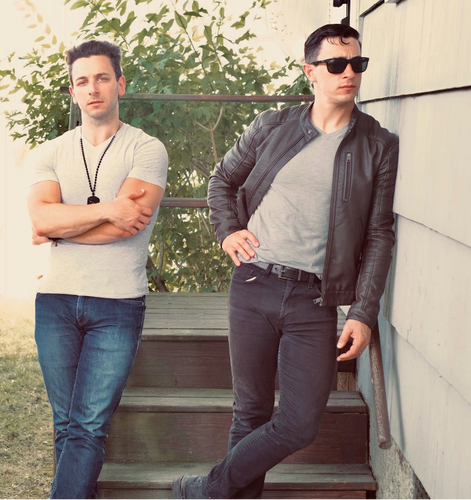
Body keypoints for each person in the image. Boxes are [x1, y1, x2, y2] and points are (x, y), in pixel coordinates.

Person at [172, 23, 398, 499]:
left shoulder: (377, 144)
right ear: (310, 72)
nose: (349, 73)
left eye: (357, 63)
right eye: (336, 64)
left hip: (315, 299)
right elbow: (221, 181)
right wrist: (228, 230)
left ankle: (205, 490)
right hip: (255, 284)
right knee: (250, 413)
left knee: (299, 423)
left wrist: (362, 313)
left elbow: (379, 234)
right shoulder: (272, 126)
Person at [27, 40, 167, 499]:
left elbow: (127, 226)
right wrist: (107, 209)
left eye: (102, 78)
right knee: (66, 423)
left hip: (118, 303)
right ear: (72, 91)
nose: (93, 89)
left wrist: (60, 228)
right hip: (55, 301)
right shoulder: (50, 152)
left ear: (120, 84)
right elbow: (42, 218)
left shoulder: (147, 150)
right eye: (83, 81)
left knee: (87, 425)